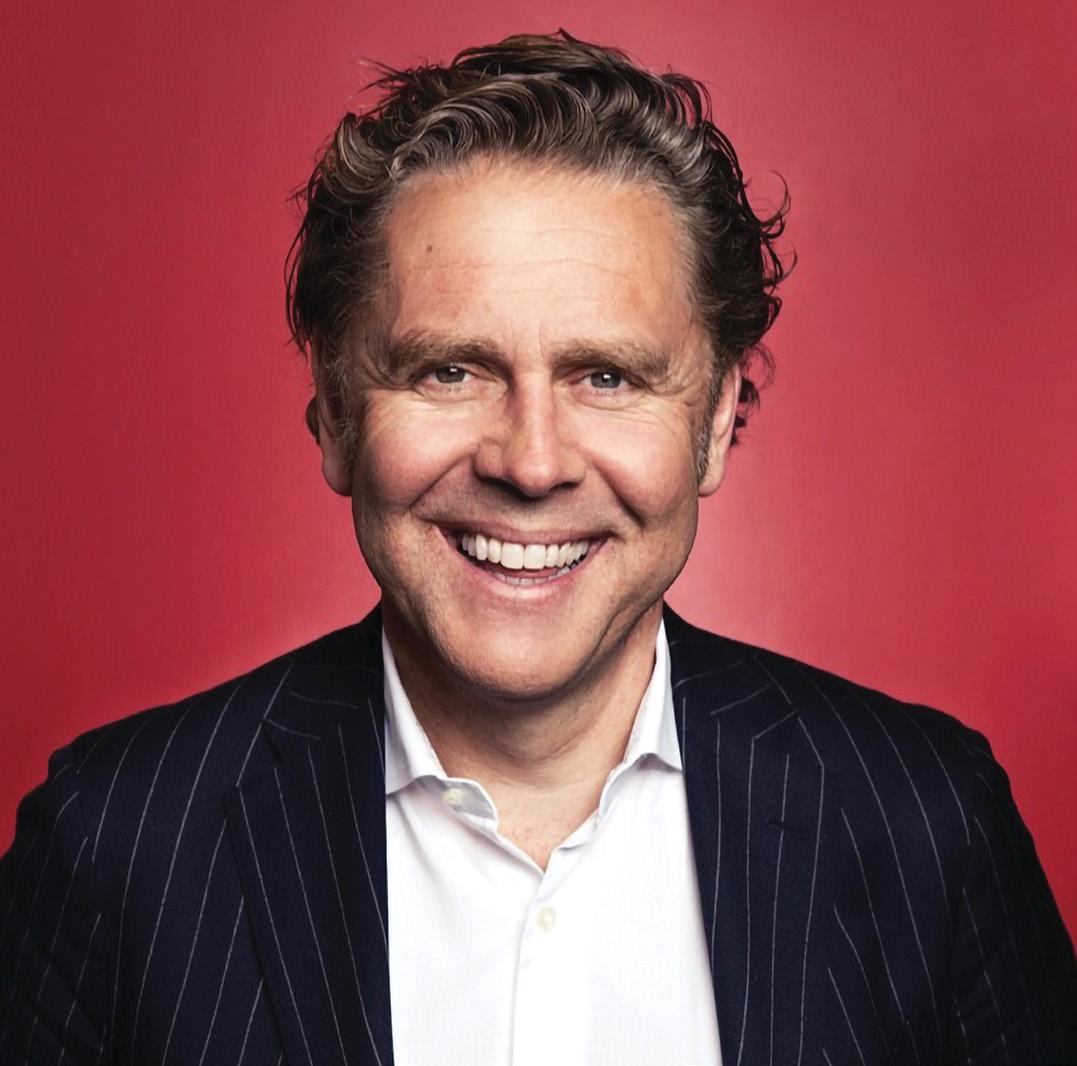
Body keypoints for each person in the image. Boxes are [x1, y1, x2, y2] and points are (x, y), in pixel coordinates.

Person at [1, 30, 1074, 1066]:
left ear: (712, 423)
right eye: (449, 371)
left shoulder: (928, 823)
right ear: (334, 412)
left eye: (606, 376)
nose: (531, 461)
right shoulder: (113, 846)